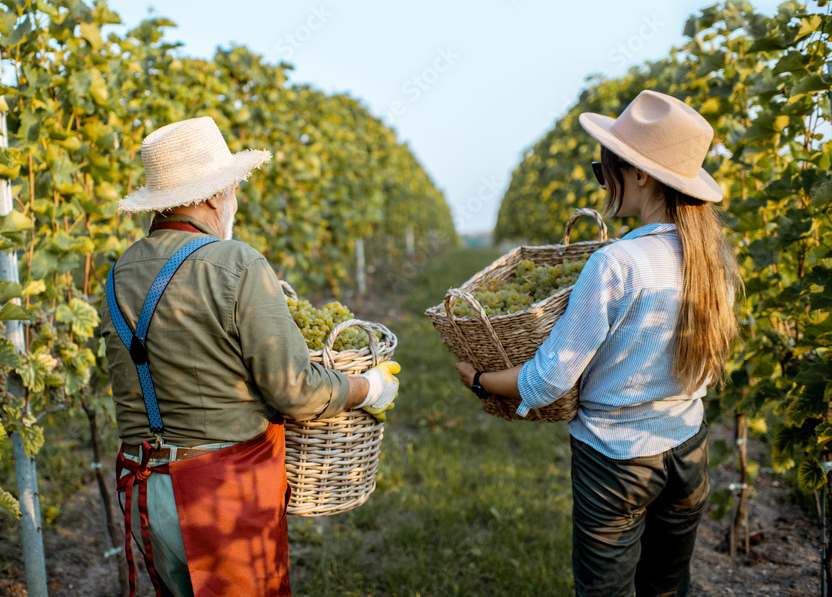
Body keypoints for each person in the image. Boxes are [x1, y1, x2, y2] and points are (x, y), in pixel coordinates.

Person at [456, 90, 741, 596]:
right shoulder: (711, 257)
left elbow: (546, 382)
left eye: (603, 167)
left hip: (615, 460)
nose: (601, 179)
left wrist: (479, 380)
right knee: (668, 587)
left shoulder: (615, 264)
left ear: (639, 174)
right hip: (688, 448)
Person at [101, 116, 400, 597]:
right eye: (231, 187)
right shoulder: (235, 263)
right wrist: (370, 387)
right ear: (213, 196)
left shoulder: (119, 273)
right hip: (218, 499)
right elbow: (295, 390)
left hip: (142, 490)